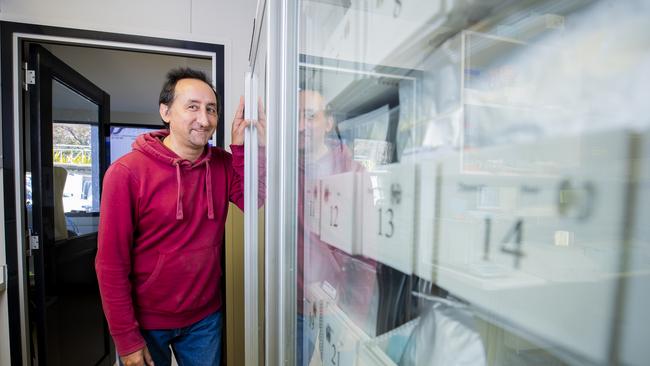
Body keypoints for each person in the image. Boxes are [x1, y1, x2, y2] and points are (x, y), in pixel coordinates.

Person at [95, 67, 265, 366]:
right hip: (146, 321)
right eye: (193, 107)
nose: (204, 119)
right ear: (166, 111)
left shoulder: (223, 165)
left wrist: (242, 147)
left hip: (205, 318)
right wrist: (126, 340)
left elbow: (255, 200)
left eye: (211, 109)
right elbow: (110, 264)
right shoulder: (126, 173)